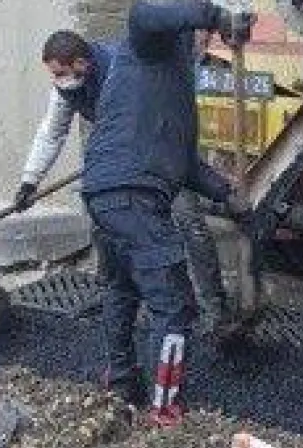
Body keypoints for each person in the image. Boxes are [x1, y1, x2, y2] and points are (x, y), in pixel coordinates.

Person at [79, 0, 253, 424]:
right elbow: (142, 11)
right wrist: (218, 16)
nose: (203, 42)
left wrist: (226, 195)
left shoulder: (172, 85)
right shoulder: (145, 49)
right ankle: (166, 407)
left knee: (122, 288)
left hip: (107, 196)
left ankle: (121, 383)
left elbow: (184, 164)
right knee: (174, 305)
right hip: (133, 196)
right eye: (200, 35)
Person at [16, 30, 229, 331]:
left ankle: (215, 308)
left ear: (81, 63)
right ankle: (112, 295)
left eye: (61, 73)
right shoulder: (67, 88)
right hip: (117, 154)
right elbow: (52, 133)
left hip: (163, 144)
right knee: (104, 221)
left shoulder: (125, 69)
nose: (57, 80)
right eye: (54, 75)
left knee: (188, 220)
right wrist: (30, 181)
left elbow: (162, 108)